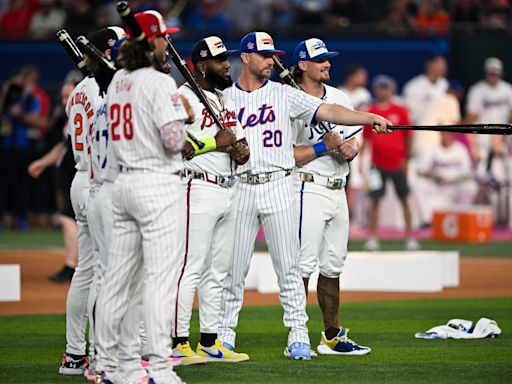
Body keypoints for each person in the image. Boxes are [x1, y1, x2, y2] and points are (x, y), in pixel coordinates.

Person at [217, 31, 391, 361]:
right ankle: (225, 337)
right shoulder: (229, 99)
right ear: (244, 57)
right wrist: (324, 145)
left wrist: (370, 119)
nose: (271, 60)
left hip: (302, 186)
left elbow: (331, 111)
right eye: (265, 55)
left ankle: (310, 335)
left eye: (273, 55)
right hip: (264, 185)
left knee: (309, 267)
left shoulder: (287, 95)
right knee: (240, 268)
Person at [94, 10, 189, 384]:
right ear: (151, 41)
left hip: (122, 186)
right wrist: (183, 118)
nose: (167, 42)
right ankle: (161, 369)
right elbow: (173, 142)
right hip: (157, 184)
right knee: (160, 283)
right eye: (163, 36)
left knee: (117, 281)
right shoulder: (159, 82)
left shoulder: (118, 79)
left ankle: (111, 366)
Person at [172, 36, 250, 364]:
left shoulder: (223, 100)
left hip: (227, 187)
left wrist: (240, 150)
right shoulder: (181, 97)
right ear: (202, 65)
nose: (227, 65)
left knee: (217, 272)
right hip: (196, 187)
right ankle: (177, 343)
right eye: (221, 60)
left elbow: (237, 142)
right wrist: (214, 142)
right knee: (189, 268)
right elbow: (179, 146)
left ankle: (209, 340)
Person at [291, 38, 371, 356]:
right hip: (306, 186)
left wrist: (346, 147)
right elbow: (285, 154)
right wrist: (324, 145)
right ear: (302, 65)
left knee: (333, 266)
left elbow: (351, 148)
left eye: (328, 59)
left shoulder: (339, 98)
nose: (327, 64)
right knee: (302, 267)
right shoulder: (289, 98)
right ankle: (296, 336)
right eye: (320, 60)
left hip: (338, 189)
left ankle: (332, 336)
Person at [28, 78, 80, 283]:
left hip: (84, 176)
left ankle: (71, 266)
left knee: (68, 218)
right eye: (63, 96)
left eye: (69, 95)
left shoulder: (85, 114)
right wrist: (43, 162)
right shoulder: (69, 120)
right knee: (72, 220)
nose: (65, 100)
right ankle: (75, 265)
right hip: (73, 176)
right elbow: (63, 146)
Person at [360, 75, 419, 251]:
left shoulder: (400, 110)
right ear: (375, 89)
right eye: (380, 87)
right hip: (377, 164)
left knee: (405, 199)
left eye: (386, 87)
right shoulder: (370, 112)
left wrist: (406, 159)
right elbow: (366, 140)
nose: (383, 90)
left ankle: (410, 237)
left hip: (397, 163)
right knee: (375, 200)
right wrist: (362, 162)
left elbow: (409, 136)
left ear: (391, 89)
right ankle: (372, 237)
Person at [414, 132, 478, 226]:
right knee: (418, 184)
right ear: (441, 134)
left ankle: (462, 218)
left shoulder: (460, 149)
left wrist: (454, 180)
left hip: (455, 185)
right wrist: (436, 177)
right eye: (445, 134)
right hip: (437, 185)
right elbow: (421, 170)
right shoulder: (431, 148)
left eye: (449, 134)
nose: (447, 136)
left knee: (471, 186)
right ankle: (427, 220)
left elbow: (467, 173)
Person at [403, 55, 448, 124]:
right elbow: (409, 112)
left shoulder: (445, 84)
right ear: (430, 67)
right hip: (422, 126)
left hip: (443, 127)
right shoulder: (413, 86)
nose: (444, 69)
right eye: (440, 66)